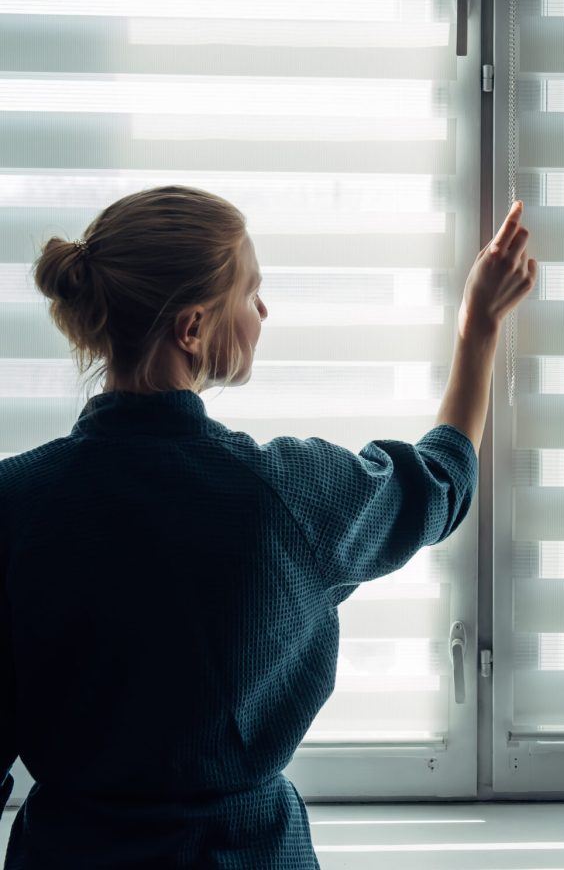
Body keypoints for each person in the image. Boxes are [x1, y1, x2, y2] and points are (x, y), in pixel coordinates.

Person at [0, 185, 535, 869]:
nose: (264, 310)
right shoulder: (285, 495)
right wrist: (479, 327)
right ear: (191, 329)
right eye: (251, 292)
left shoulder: (16, 502)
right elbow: (442, 481)